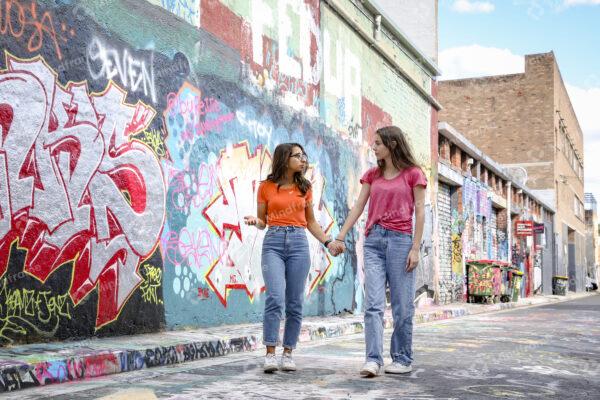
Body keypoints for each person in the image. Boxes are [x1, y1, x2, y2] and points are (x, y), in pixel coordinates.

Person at [332, 126, 427, 377]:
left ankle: (402, 358)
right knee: (373, 304)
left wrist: (415, 248)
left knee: (402, 306)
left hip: (401, 242)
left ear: (392, 144)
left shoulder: (413, 174)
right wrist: (341, 236)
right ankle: (373, 359)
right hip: (373, 242)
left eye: (377, 143)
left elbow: (420, 212)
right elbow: (358, 207)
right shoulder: (372, 175)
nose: (373, 147)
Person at [244, 143, 340, 373]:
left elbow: (311, 222)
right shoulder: (266, 187)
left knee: (295, 302)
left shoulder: (304, 187)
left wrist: (328, 242)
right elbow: (262, 221)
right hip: (273, 244)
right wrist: (254, 221)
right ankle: (270, 353)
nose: (303, 159)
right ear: (285, 158)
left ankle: (288, 352)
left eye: (303, 156)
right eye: (298, 156)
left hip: (298, 244)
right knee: (275, 298)